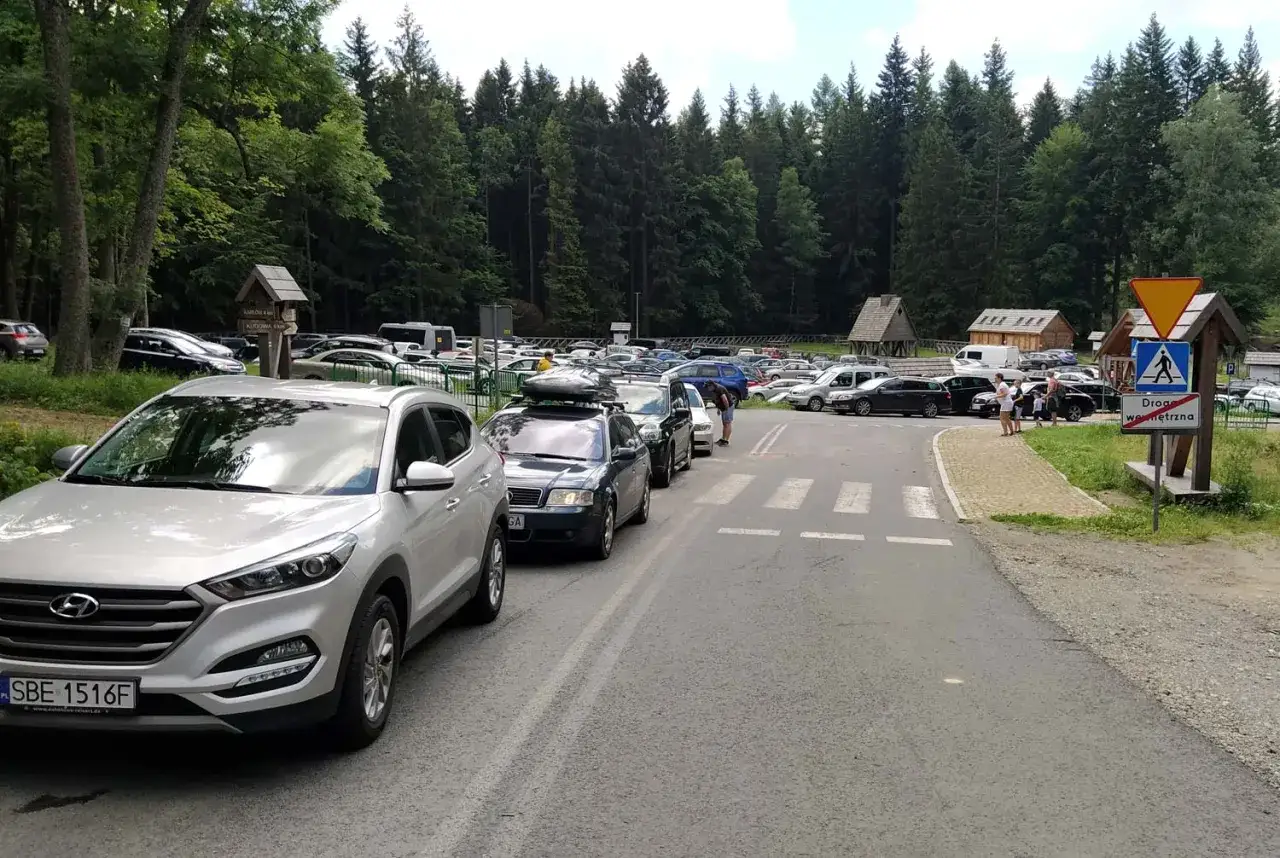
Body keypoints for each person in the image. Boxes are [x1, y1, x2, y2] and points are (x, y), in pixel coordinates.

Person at [701, 379, 734, 446]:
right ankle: (723, 439)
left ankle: (726, 440)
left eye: (707, 387)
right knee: (724, 424)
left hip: (727, 407)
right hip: (723, 408)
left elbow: (725, 399)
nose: (707, 389)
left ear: (711, 385)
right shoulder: (715, 389)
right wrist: (719, 409)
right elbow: (718, 400)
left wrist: (727, 409)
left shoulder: (719, 389)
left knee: (727, 423)